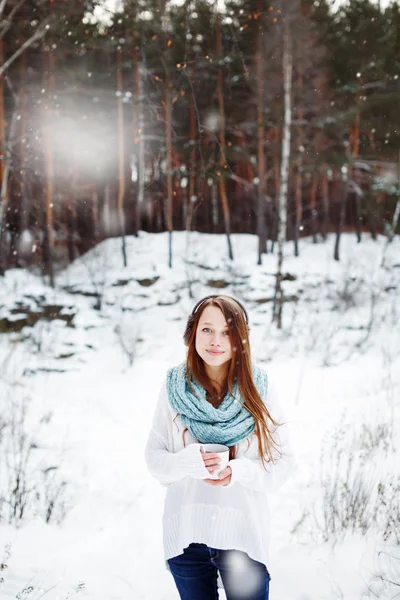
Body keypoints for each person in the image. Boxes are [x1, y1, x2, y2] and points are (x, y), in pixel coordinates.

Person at [145, 294, 294, 600]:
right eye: (207, 329)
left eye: (227, 332)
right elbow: (154, 459)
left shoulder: (259, 388)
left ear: (240, 338)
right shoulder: (174, 387)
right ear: (193, 332)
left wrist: (236, 472)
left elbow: (284, 463)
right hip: (186, 536)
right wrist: (187, 461)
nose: (216, 340)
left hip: (242, 536)